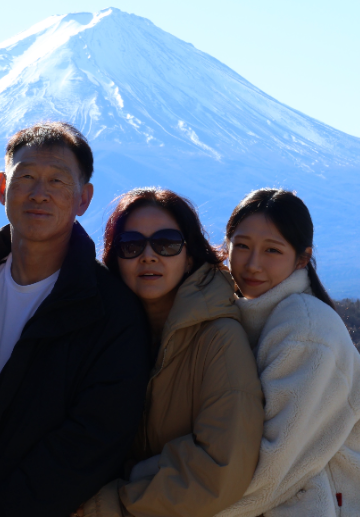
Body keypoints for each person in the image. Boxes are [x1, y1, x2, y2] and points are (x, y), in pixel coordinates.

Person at [0, 122, 150, 517]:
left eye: (58, 181)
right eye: (25, 176)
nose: (39, 193)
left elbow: (92, 440)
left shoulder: (111, 312)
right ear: (1, 188)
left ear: (84, 199)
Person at [82, 188, 264, 517]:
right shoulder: (100, 338)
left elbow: (220, 468)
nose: (148, 256)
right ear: (115, 258)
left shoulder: (218, 339)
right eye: (131, 245)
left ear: (190, 255)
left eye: (166, 243)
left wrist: (113, 503)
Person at [218, 188, 360, 517]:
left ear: (301, 258)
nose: (253, 264)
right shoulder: (240, 318)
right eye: (242, 246)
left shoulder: (305, 328)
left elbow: (272, 471)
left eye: (272, 250)